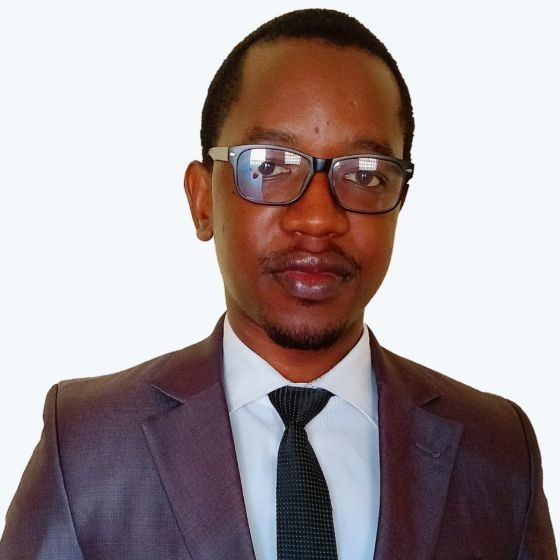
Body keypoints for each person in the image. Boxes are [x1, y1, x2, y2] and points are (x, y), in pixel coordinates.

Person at [0, 8, 556, 560]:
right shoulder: (86, 445)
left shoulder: (498, 451)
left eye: (365, 174)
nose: (318, 218)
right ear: (202, 200)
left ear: (399, 203)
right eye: (268, 167)